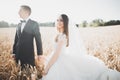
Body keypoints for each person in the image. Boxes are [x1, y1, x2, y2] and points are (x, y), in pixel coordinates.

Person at [41, 14, 120, 80]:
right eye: (57, 20)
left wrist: (47, 68)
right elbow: (55, 52)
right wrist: (47, 58)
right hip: (59, 59)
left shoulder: (62, 36)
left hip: (59, 60)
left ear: (65, 22)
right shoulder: (59, 35)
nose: (59, 22)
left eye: (61, 20)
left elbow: (56, 54)